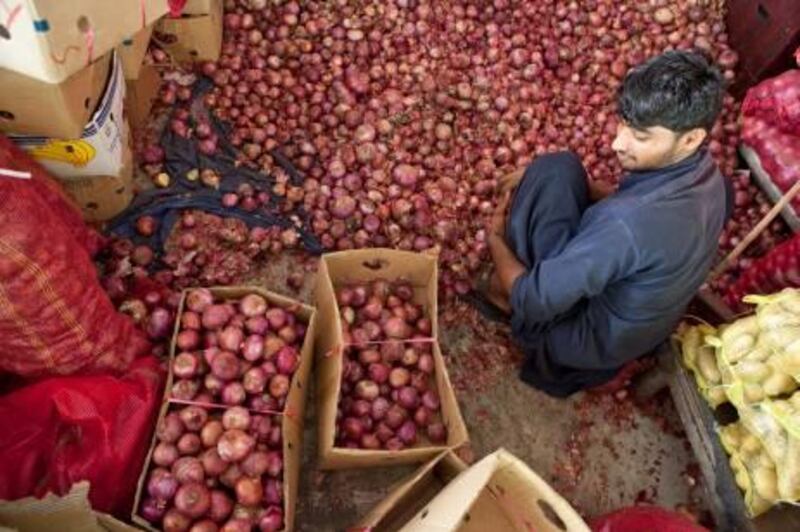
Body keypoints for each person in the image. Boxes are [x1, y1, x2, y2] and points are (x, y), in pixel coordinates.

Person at [481, 50, 732, 397]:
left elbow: (534, 297)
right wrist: (573, 183)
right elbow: (632, 216)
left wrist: (496, 239)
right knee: (560, 169)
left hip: (583, 343)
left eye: (641, 137)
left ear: (691, 139)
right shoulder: (711, 180)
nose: (617, 143)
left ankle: (505, 308)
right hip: (633, 331)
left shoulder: (627, 224)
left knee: (549, 178)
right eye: (623, 124)